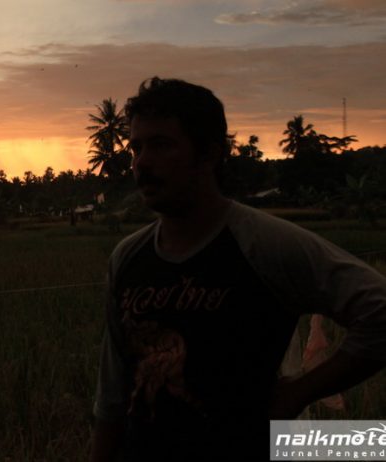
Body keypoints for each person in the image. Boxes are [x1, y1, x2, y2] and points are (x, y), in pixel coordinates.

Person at [90, 77, 386, 461]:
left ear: (209, 154)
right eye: (136, 147)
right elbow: (112, 395)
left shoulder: (264, 244)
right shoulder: (128, 257)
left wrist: (297, 394)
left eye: (161, 145)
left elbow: (379, 311)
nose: (142, 162)